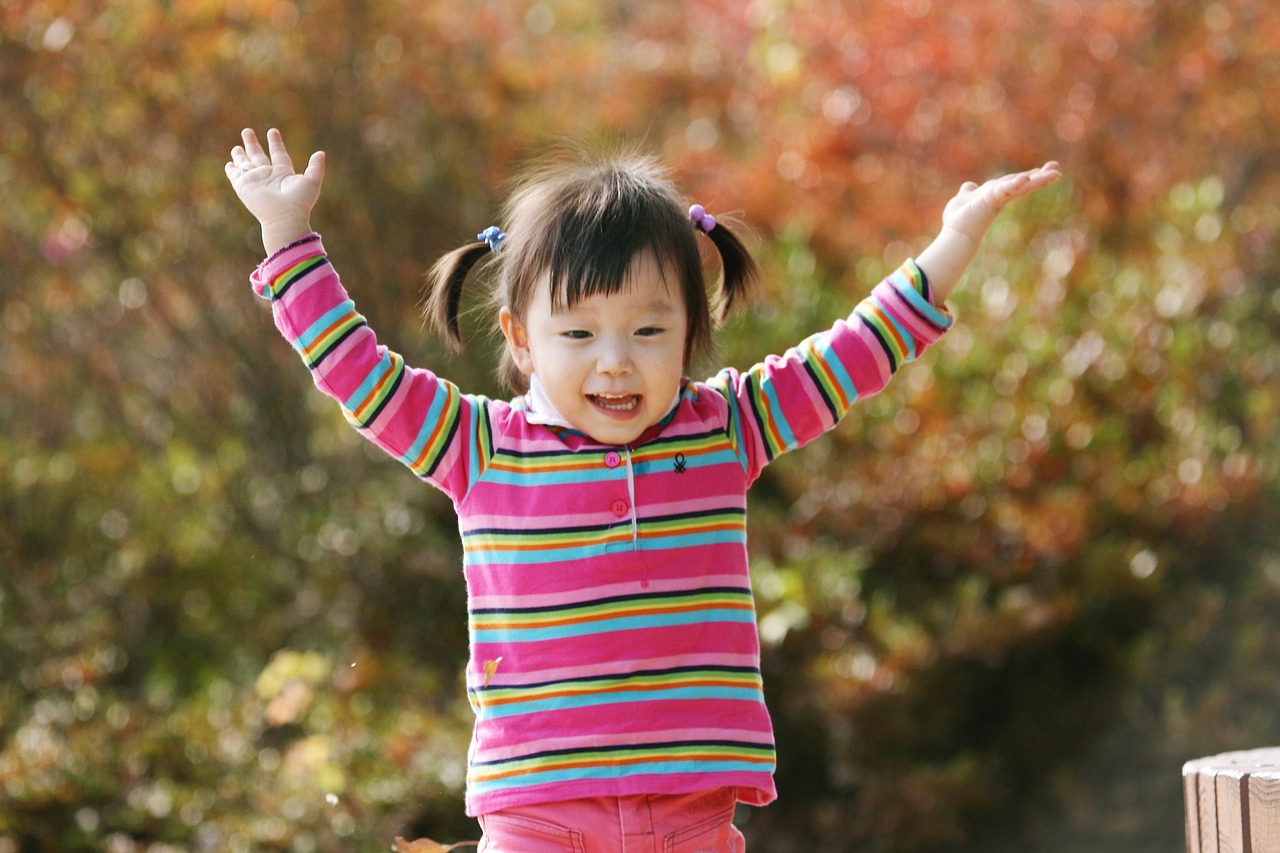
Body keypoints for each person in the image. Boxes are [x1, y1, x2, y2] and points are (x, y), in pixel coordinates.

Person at [225, 127, 1060, 851]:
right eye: (579, 332)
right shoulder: (479, 447)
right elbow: (356, 368)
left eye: (649, 329)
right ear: (521, 336)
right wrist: (288, 234)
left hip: (690, 814)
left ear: (692, 329)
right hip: (538, 811)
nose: (615, 361)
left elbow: (851, 354)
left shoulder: (726, 427)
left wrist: (953, 240)